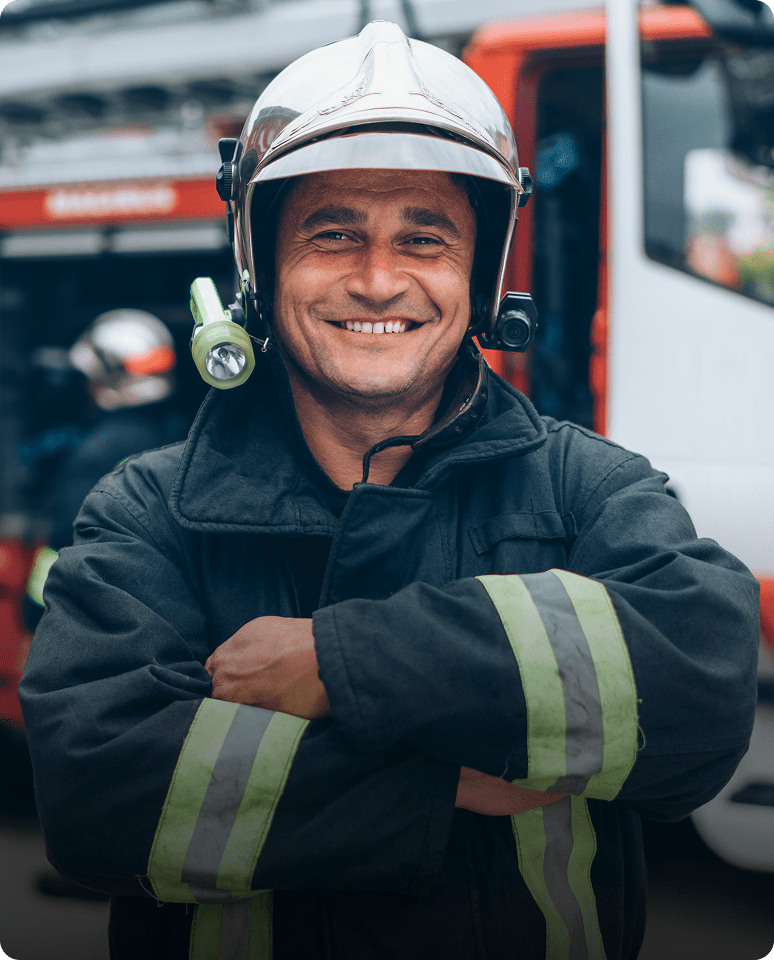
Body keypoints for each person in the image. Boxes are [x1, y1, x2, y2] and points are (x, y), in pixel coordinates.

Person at [19, 22, 759, 960]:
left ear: (480, 273)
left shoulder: (590, 486)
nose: (379, 280)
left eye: (425, 236)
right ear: (261, 264)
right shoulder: (145, 510)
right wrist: (455, 780)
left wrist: (342, 661)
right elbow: (100, 800)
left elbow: (705, 686)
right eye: (333, 235)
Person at [23, 309, 188, 629]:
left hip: (91, 624)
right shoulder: (178, 439)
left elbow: (63, 544)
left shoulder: (96, 453)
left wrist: (35, 613)